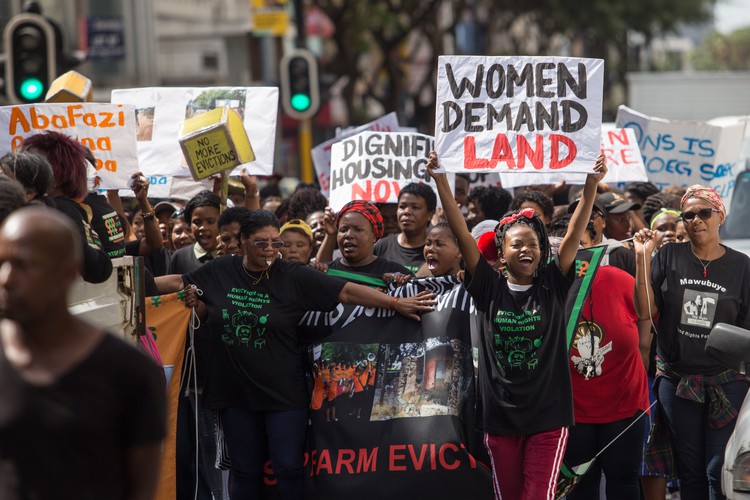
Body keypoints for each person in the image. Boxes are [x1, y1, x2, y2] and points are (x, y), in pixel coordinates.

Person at [182, 209, 435, 499]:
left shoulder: (293, 275)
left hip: (284, 397)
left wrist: (394, 303)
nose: (270, 249)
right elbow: (177, 285)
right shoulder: (221, 270)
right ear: (242, 242)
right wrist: (170, 292)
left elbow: (348, 292)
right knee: (244, 471)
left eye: (275, 242)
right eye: (260, 242)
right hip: (235, 396)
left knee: (288, 469)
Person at [427, 150, 607, 500]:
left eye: (534, 244)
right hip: (499, 419)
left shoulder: (553, 284)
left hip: (549, 418)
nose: (527, 250)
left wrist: (591, 185)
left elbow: (573, 233)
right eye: (517, 244)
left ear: (543, 251)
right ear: (502, 250)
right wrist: (441, 182)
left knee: (536, 496)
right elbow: (461, 233)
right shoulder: (488, 287)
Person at [0, 207, 166, 500]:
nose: (6, 278)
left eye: (24, 264)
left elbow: (141, 486)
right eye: (1, 262)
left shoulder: (131, 373)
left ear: (68, 272)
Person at [633, 185, 750, 500]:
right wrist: (643, 258)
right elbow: (644, 310)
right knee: (690, 471)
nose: (696, 220)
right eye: (688, 215)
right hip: (678, 382)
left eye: (704, 213)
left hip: (727, 382)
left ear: (720, 215)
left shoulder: (743, 266)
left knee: (717, 469)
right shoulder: (668, 256)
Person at [20, 131, 112, 284]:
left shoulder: (63, 210)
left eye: (31, 165)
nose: (21, 171)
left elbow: (99, 269)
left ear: (56, 176)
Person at [317, 201, 411, 280]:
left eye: (358, 229)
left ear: (373, 236)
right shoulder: (325, 272)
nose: (349, 235)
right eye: (343, 230)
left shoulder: (398, 274)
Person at [373, 183, 436, 273]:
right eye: (402, 207)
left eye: (415, 207)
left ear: (430, 214)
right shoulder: (382, 247)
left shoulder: (435, 251)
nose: (406, 212)